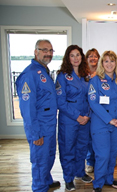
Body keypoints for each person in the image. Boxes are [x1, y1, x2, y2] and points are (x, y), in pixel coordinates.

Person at [15, 39, 60, 191]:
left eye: (50, 50)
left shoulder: (44, 71)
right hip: (39, 126)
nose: (48, 53)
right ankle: (39, 187)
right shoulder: (29, 74)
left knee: (48, 157)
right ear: (36, 52)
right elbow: (27, 109)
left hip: (49, 124)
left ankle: (46, 181)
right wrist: (36, 134)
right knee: (40, 160)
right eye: (44, 50)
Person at [88, 50, 117, 192]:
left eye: (112, 61)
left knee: (112, 154)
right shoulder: (95, 80)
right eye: (106, 61)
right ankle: (98, 184)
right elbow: (93, 103)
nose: (109, 64)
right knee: (102, 155)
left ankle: (109, 179)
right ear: (102, 63)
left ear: (116, 63)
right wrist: (109, 120)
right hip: (101, 124)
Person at [56, 45, 93, 191]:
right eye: (72, 55)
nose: (76, 58)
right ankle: (68, 178)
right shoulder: (62, 75)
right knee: (68, 149)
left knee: (82, 148)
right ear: (67, 58)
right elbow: (60, 102)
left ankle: (80, 172)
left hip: (85, 118)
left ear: (82, 57)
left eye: (78, 55)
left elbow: (92, 97)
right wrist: (77, 117)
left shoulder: (86, 74)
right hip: (69, 119)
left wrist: (87, 116)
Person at [85, 48, 100, 173]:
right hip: (86, 110)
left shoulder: (102, 74)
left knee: (98, 138)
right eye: (90, 56)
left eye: (95, 56)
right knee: (88, 138)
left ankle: (99, 160)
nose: (93, 58)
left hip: (99, 110)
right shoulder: (82, 74)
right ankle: (89, 161)